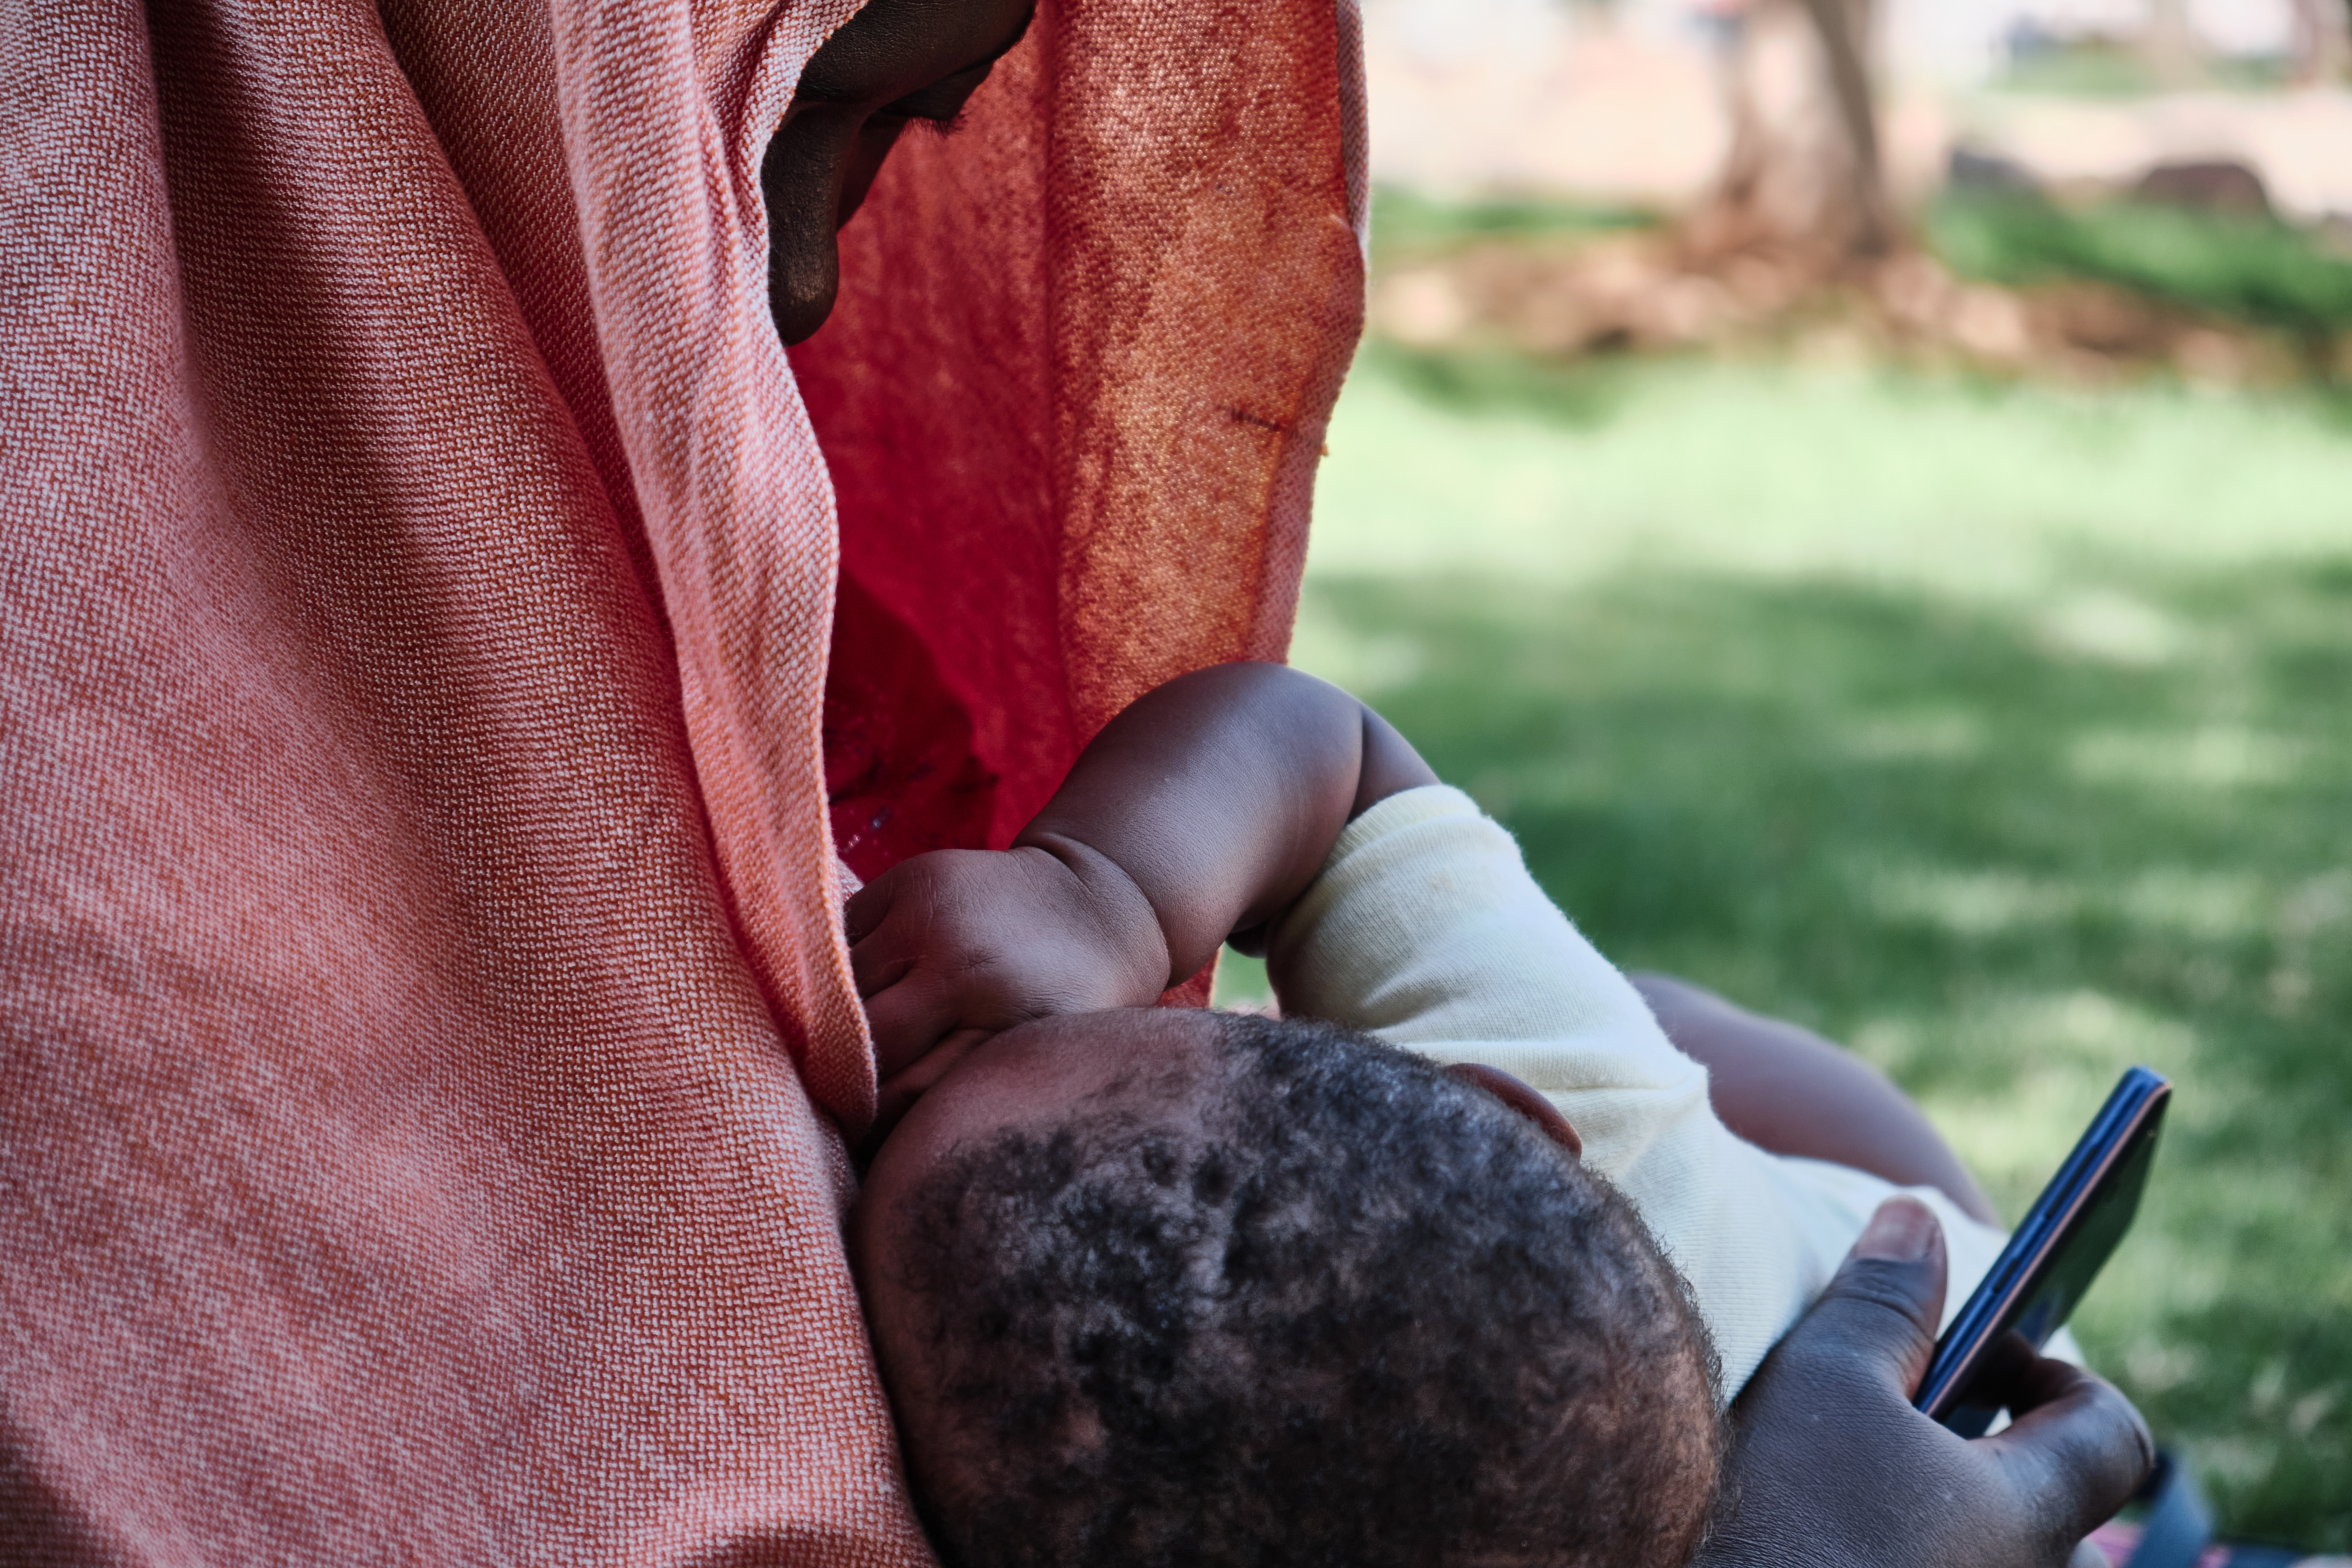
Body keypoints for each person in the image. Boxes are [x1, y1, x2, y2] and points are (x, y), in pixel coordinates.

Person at [5, 0, 2145, 1560]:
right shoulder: (1498, 1181)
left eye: (890, 126)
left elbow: (1307, 766)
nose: (816, 280)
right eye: (800, 105)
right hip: (1973, 1409)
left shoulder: (771, 661)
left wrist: (1112, 891)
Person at [844, 659, 2147, 1566]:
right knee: (1660, 1024)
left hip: (1954, 1427)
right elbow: (1320, 745)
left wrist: (1107, 892)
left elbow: (1324, 752)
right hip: (1953, 1295)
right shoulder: (1586, 1094)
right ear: (1516, 1116)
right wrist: (1106, 904)